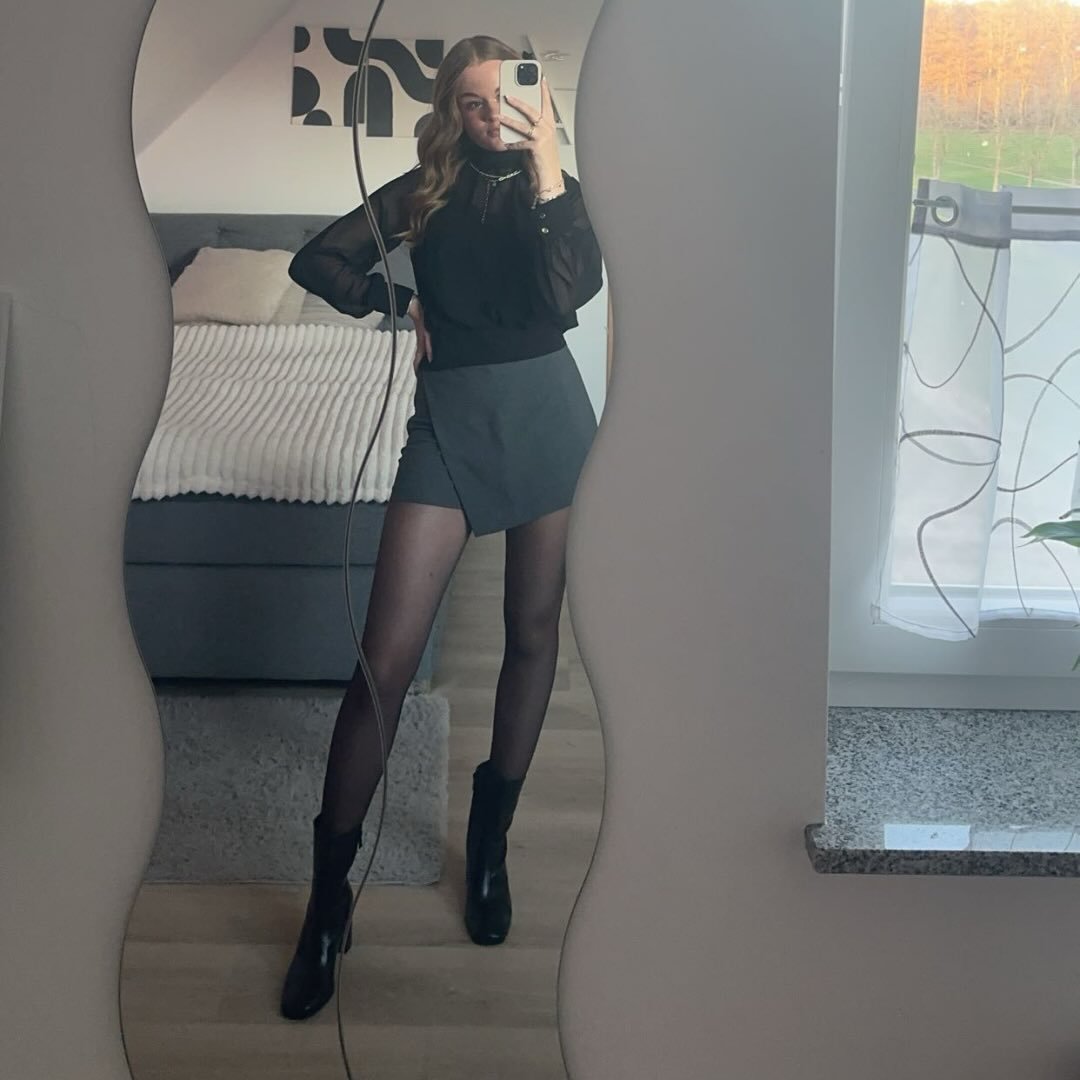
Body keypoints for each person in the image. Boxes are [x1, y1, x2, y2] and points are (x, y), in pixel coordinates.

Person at [279, 34, 603, 1021]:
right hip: (450, 420)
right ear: (451, 112)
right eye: (472, 101)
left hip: (548, 418)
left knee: (533, 635)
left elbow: (569, 290)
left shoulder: (560, 191)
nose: (492, 115)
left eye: (506, 97)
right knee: (383, 665)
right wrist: (399, 297)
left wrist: (548, 159)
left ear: (534, 101)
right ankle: (327, 904)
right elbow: (315, 260)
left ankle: (490, 843)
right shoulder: (425, 190)